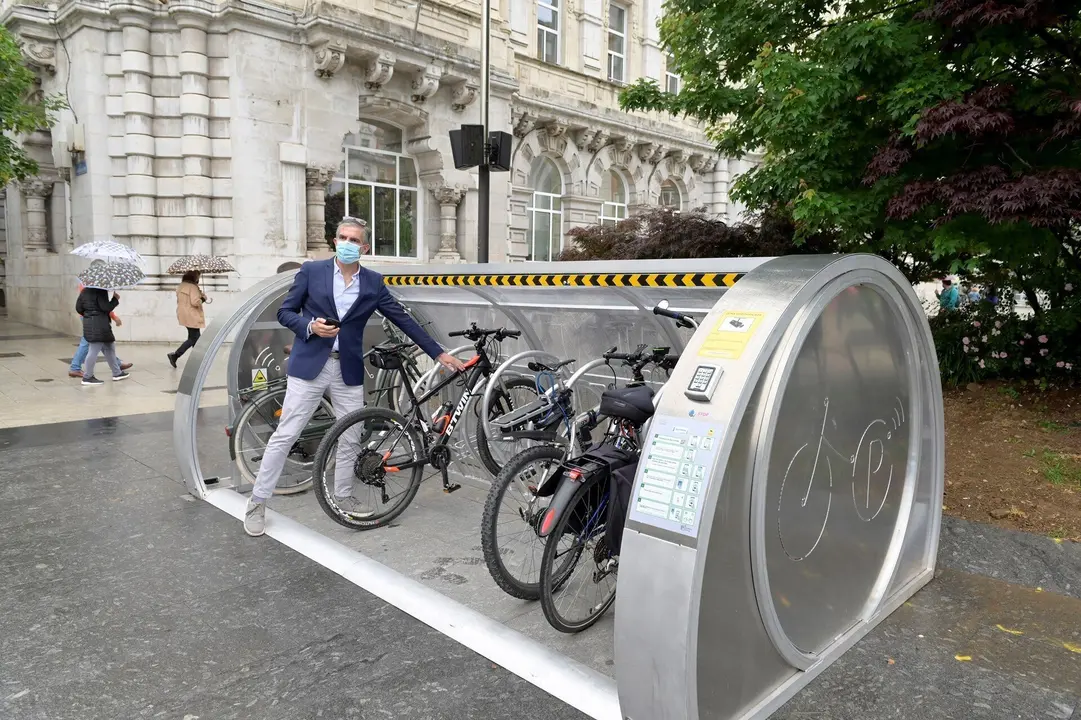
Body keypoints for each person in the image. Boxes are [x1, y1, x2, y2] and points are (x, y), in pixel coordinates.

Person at [242, 217, 465, 537]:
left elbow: (403, 320)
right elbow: (285, 312)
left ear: (365, 247)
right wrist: (309, 327)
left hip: (346, 367)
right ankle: (258, 502)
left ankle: (344, 495)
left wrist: (439, 354)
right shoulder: (311, 271)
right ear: (334, 241)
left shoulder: (372, 282)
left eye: (354, 239)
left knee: (350, 435)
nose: (347, 243)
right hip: (309, 365)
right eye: (342, 237)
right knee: (286, 434)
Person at [69, 282, 132, 378]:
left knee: (107, 346)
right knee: (92, 346)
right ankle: (84, 374)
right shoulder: (100, 290)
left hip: (89, 320)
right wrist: (115, 299)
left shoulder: (84, 288)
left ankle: (117, 369)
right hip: (99, 323)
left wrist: (88, 314)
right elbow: (105, 307)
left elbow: (79, 308)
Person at [167, 271, 207, 368]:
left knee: (195, 338)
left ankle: (197, 360)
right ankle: (175, 355)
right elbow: (195, 302)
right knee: (194, 338)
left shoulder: (182, 285)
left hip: (183, 314)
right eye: (198, 276)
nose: (198, 278)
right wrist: (203, 299)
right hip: (192, 315)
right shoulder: (192, 287)